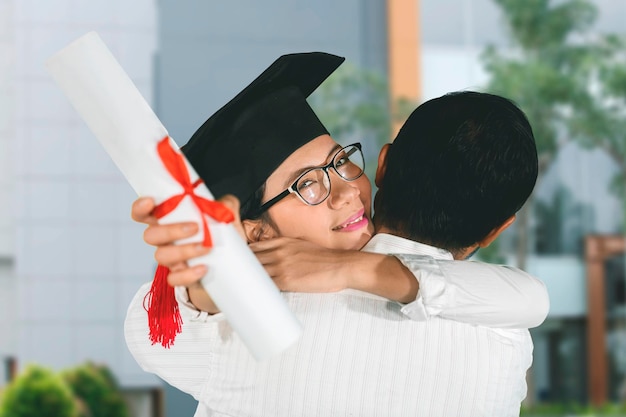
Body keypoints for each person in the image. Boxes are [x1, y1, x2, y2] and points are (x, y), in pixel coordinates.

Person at [125, 52, 547, 417]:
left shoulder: (238, 334)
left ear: (382, 167)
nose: (346, 191)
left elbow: (147, 331)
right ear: (251, 232)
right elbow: (528, 298)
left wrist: (216, 282)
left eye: (341, 161)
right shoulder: (505, 334)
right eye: (308, 183)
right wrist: (217, 274)